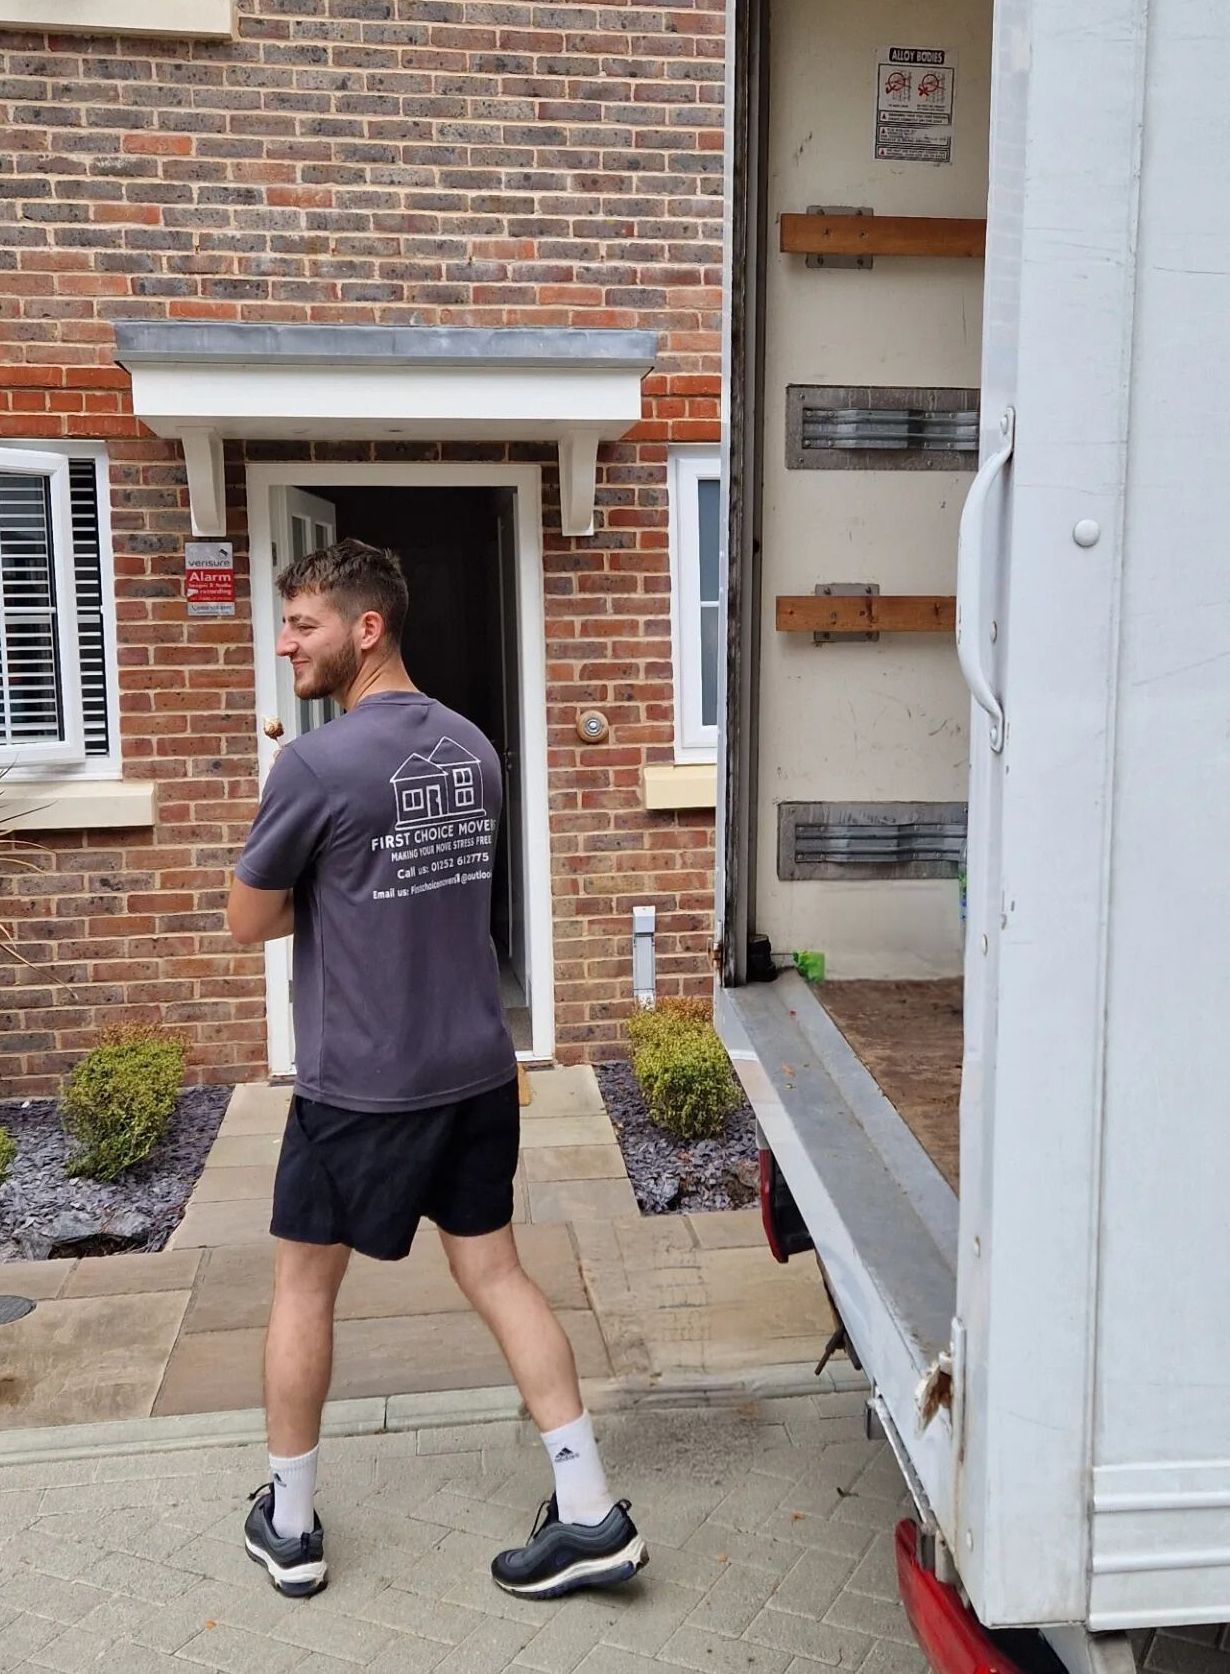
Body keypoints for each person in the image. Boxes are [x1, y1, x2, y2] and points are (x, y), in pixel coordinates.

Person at [227, 537, 647, 1603]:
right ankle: (591, 1512)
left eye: (303, 625)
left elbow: (250, 920)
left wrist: (306, 861)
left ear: (367, 628)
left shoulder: (314, 764)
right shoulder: (472, 747)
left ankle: (288, 1526)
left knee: (302, 1287)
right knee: (498, 1273)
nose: (286, 646)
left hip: (361, 1084)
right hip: (474, 1066)